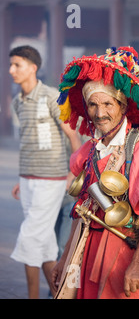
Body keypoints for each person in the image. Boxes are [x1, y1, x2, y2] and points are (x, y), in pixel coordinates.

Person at [51, 46, 139, 299]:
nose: (99, 113)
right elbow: (80, 210)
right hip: (88, 250)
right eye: (92, 104)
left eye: (107, 104)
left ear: (123, 106)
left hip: (126, 252)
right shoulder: (89, 150)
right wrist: (65, 259)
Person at [8, 45, 81, 299]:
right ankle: (61, 295)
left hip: (52, 179)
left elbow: (72, 134)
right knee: (46, 247)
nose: (11, 70)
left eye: (17, 65)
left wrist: (75, 171)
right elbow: (26, 142)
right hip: (27, 179)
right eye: (11, 65)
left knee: (30, 238)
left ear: (32, 67)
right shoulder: (18, 101)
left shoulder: (51, 96)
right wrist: (22, 178)